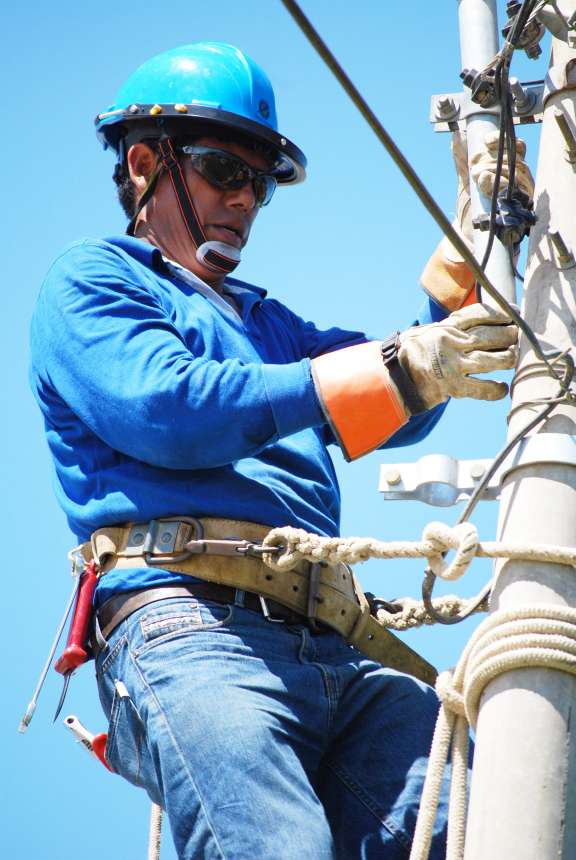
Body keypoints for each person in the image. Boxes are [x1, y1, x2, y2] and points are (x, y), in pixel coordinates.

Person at [30, 42, 525, 859]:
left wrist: (464, 266)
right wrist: (387, 369)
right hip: (192, 629)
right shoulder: (95, 281)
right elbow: (171, 409)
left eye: (258, 183)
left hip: (336, 645)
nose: (244, 199)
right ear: (146, 164)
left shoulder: (268, 325)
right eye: (223, 169)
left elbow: (397, 405)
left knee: (470, 828)